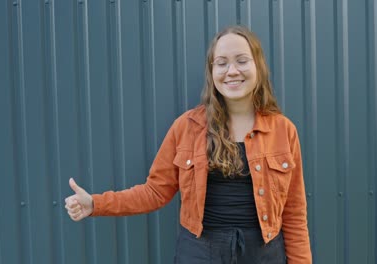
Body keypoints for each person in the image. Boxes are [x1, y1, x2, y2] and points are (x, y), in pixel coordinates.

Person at [65, 25, 312, 264]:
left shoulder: (283, 130)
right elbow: (154, 192)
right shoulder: (187, 127)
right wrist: (95, 203)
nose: (232, 70)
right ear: (212, 71)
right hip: (200, 253)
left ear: (258, 66)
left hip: (264, 254)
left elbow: (294, 213)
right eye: (222, 63)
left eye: (242, 60)